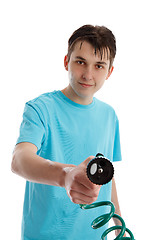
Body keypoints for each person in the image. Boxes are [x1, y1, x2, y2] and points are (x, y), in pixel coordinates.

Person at [11, 24, 126, 239]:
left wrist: (118, 223)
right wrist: (65, 176)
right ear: (66, 62)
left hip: (95, 235)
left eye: (99, 66)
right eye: (80, 62)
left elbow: (107, 178)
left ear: (109, 72)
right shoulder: (40, 108)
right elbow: (20, 159)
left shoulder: (109, 115)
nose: (88, 74)